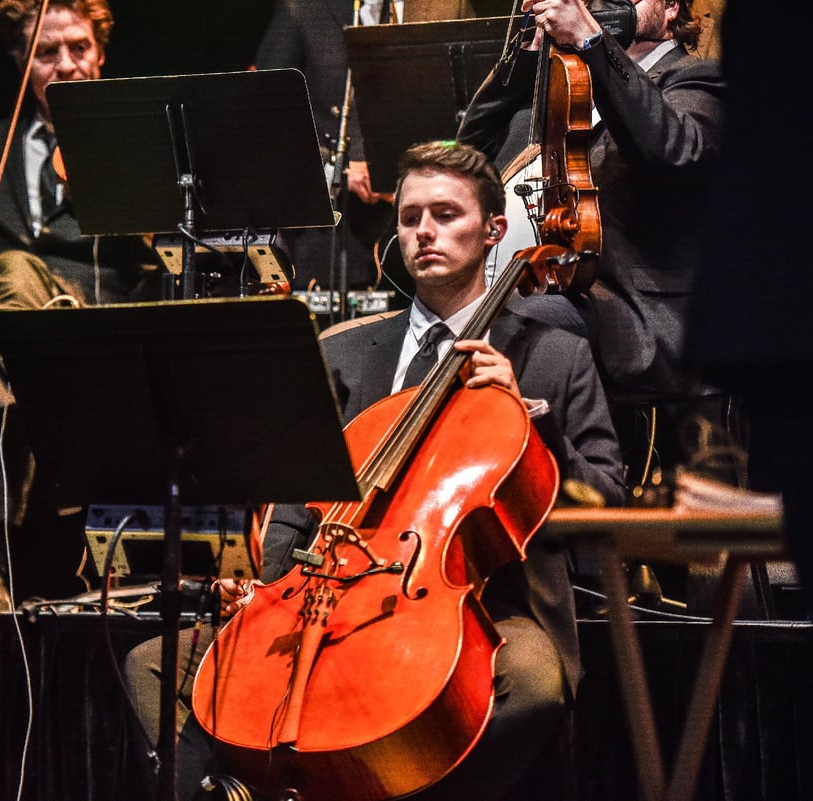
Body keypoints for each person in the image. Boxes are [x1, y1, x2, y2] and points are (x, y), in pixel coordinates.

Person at [123, 140, 626, 801]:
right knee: (153, 664)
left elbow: (608, 496)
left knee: (533, 684)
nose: (424, 232)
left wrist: (536, 425)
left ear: (494, 231)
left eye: (446, 214)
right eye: (411, 216)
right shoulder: (345, 351)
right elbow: (293, 498)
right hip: (324, 598)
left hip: (481, 605)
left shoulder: (553, 353)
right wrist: (273, 594)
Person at [0, 0, 161, 603]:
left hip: (87, 335)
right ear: (22, 63)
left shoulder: (137, 145)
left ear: (101, 54)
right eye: (47, 53)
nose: (67, 65)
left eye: (78, 48)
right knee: (13, 273)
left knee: (25, 296)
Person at [456, 0, 730, 491]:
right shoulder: (571, 89)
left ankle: (573, 495)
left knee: (523, 327)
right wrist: (524, 52)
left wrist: (592, 40)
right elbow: (468, 156)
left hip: (650, 318)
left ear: (671, 9)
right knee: (459, 323)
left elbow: (673, 153)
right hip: (575, 294)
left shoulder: (696, 79)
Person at [253, 0, 476, 306]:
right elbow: (265, 116)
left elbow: (475, 110)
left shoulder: (448, 6)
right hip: (336, 236)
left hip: (429, 232)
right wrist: (339, 165)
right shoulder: (303, 7)